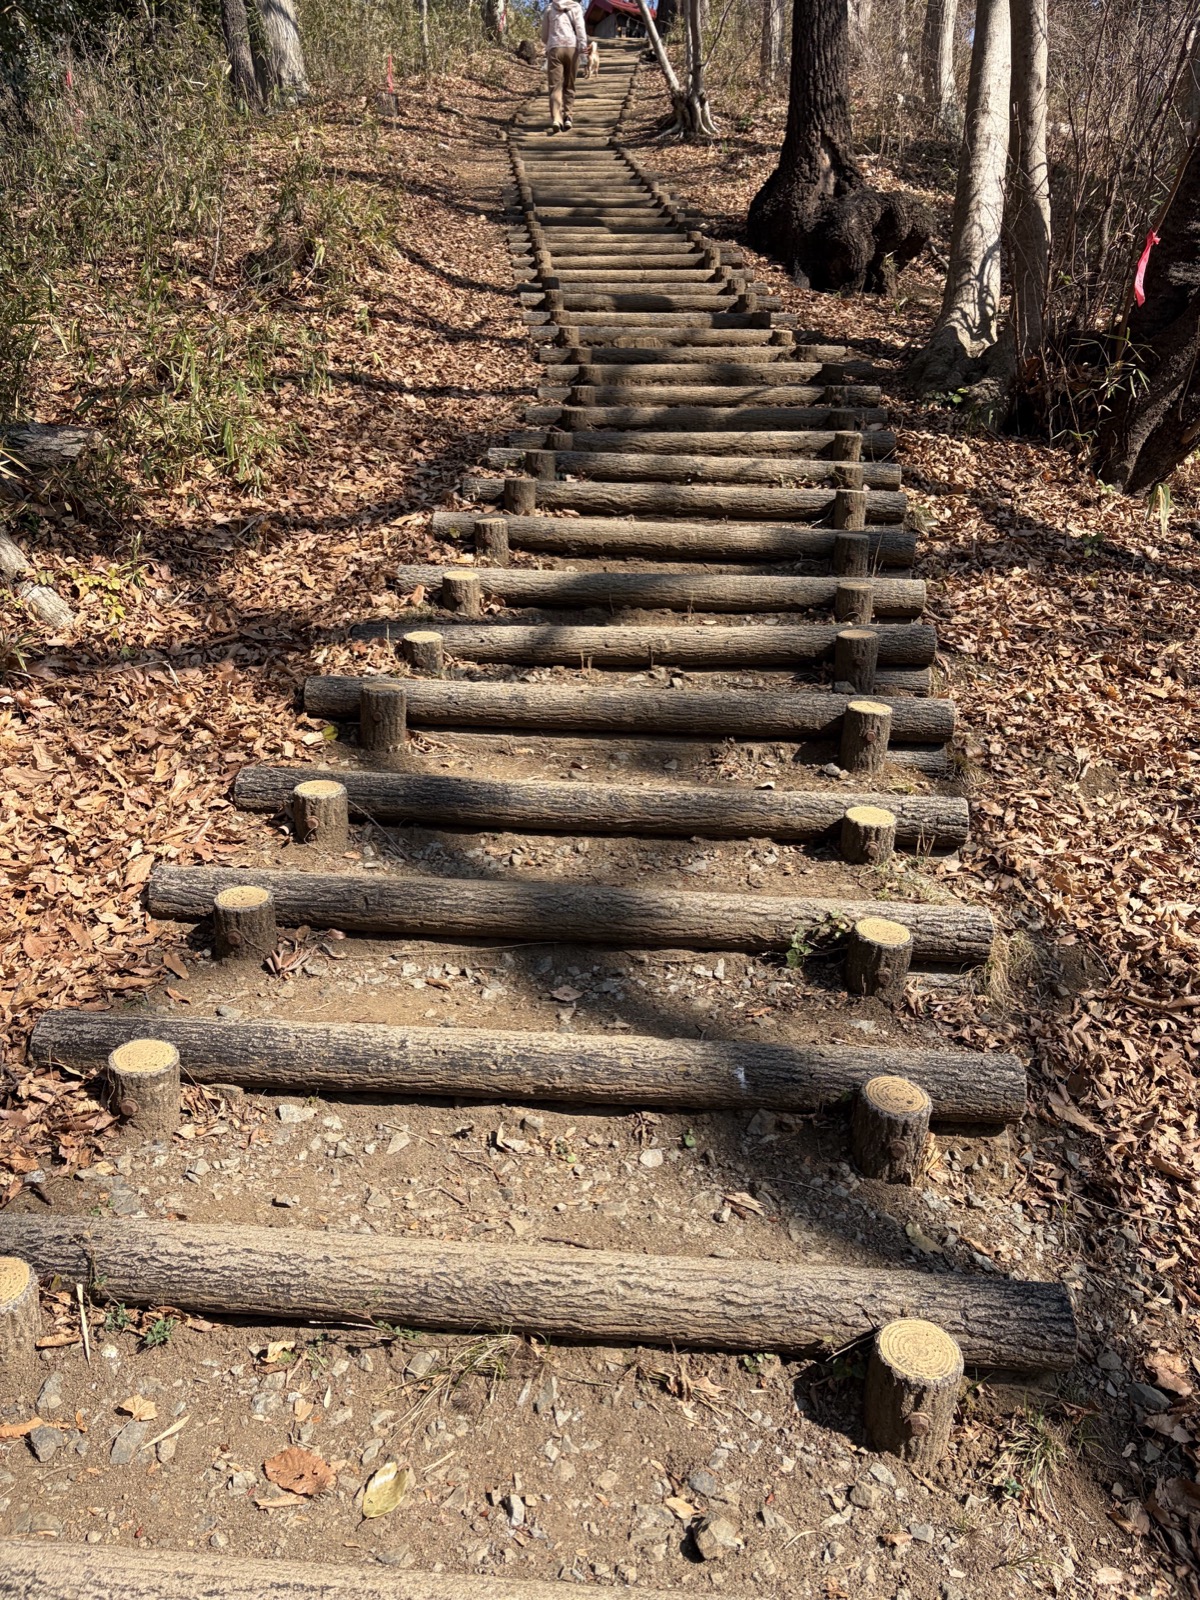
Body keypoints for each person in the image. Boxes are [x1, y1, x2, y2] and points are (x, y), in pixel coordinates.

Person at [540, 0, 588, 134]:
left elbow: (544, 35)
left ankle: (556, 118)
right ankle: (568, 116)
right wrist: (583, 53)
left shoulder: (549, 8)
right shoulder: (576, 7)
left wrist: (549, 42)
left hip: (555, 48)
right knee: (569, 83)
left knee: (555, 86)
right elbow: (580, 30)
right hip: (572, 48)